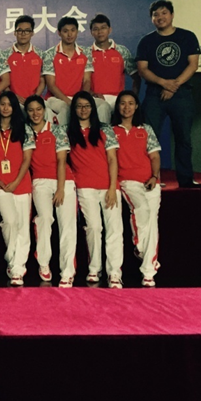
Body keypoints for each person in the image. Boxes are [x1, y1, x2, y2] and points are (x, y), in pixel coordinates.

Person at [135, 0, 201, 189]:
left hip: (182, 94)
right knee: (149, 138)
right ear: (151, 19)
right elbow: (142, 69)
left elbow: (193, 65)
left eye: (164, 13)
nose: (160, 17)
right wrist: (164, 83)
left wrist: (174, 86)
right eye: (155, 14)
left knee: (184, 138)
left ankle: (186, 179)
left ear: (172, 15)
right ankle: (151, 178)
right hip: (154, 94)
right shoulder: (146, 41)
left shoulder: (187, 37)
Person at [65, 91, 123, 288]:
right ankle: (94, 268)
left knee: (114, 229)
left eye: (87, 106)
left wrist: (113, 188)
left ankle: (114, 273)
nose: (83, 110)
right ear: (74, 109)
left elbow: (113, 159)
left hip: (108, 187)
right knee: (94, 228)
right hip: (85, 187)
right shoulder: (68, 132)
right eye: (79, 106)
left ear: (93, 108)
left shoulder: (105, 129)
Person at [25, 95, 77, 288]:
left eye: (39, 109)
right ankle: (44, 262)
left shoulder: (57, 130)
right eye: (31, 110)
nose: (35, 113)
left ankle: (67, 272)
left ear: (44, 110)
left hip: (64, 181)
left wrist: (61, 189)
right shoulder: (25, 132)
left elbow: (62, 161)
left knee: (67, 226)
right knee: (45, 219)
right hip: (40, 181)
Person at [111, 90, 162, 287]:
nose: (127, 107)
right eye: (123, 103)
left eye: (131, 103)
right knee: (141, 209)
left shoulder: (145, 129)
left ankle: (148, 272)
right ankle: (140, 248)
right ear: (118, 106)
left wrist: (154, 176)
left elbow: (154, 156)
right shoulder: (111, 131)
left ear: (136, 106)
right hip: (127, 181)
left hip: (150, 181)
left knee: (152, 224)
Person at [0, 91, 35, 287]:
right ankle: (11, 258)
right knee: (10, 221)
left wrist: (16, 181)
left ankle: (18, 268)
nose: (6, 107)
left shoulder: (24, 130)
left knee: (22, 226)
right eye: (2, 104)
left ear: (15, 107)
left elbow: (27, 159)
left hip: (21, 182)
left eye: (9, 104)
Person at [85, 13, 139, 125]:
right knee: (102, 110)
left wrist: (132, 99)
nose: (100, 32)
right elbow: (82, 81)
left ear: (110, 30)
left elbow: (136, 77)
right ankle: (104, 135)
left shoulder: (122, 51)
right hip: (96, 99)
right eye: (96, 29)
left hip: (118, 99)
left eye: (103, 28)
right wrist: (91, 93)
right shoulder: (86, 54)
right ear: (91, 32)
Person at [43, 16, 94, 125]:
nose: (70, 34)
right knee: (65, 108)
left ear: (77, 32)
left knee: (102, 106)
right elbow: (51, 85)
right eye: (65, 31)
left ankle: (97, 134)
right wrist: (69, 102)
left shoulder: (86, 53)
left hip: (78, 98)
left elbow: (87, 80)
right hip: (55, 99)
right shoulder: (50, 54)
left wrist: (81, 100)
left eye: (73, 30)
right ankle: (63, 136)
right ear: (59, 33)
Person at [0, 15, 47, 110]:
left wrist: (34, 98)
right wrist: (14, 97)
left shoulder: (41, 54)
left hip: (36, 100)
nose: (23, 34)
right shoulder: (4, 55)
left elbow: (43, 80)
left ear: (32, 33)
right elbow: (3, 82)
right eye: (20, 30)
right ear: (15, 33)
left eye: (27, 31)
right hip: (12, 102)